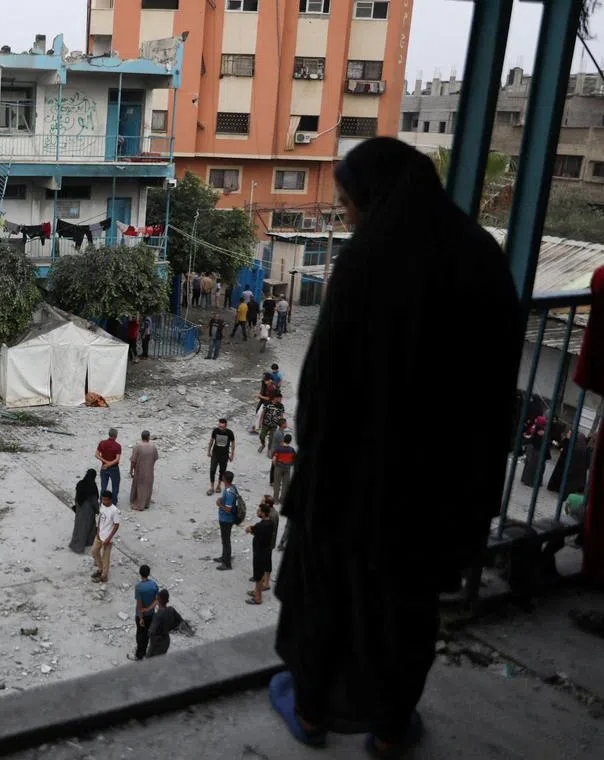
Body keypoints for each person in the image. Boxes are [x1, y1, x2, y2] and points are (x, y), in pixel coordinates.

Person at [270, 138, 520, 755]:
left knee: (327, 590)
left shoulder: (366, 265)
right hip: (437, 486)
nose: (347, 214)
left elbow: (324, 383)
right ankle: (388, 727)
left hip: (352, 482)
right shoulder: (479, 257)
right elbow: (494, 384)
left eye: (349, 203)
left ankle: (310, 711)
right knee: (406, 607)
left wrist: (315, 464)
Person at [246, 504, 276, 605]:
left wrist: (250, 529)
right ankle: (255, 592)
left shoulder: (260, 526)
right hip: (265, 551)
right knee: (260, 574)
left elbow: (249, 529)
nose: (257, 512)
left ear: (263, 513)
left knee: (258, 577)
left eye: (259, 511)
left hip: (259, 553)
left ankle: (258, 598)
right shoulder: (271, 523)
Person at [129, 564, 159, 661]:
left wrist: (141, 617)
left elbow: (139, 604)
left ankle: (139, 655)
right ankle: (145, 650)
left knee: (140, 635)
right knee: (146, 634)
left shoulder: (139, 587)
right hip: (151, 614)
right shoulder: (154, 585)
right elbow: (157, 600)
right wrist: (149, 609)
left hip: (141, 616)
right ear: (149, 573)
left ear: (140, 573)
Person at [90, 490, 120, 584]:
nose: (104, 501)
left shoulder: (114, 510)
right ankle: (100, 568)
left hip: (108, 538)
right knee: (94, 551)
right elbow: (100, 518)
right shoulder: (102, 506)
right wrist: (98, 530)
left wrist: (109, 538)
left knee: (105, 557)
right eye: (103, 499)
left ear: (110, 500)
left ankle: (104, 576)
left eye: (106, 500)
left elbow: (116, 525)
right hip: (100, 535)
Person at [70, 468, 100, 552]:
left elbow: (77, 497)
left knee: (78, 527)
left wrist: (77, 506)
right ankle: (81, 546)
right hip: (89, 510)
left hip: (80, 508)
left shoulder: (80, 484)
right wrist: (98, 510)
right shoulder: (92, 486)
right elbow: (94, 500)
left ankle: (74, 544)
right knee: (87, 527)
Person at [146, 589, 183, 657]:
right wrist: (169, 628)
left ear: (159, 599)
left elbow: (151, 632)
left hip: (157, 644)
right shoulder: (171, 609)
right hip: (166, 641)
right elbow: (179, 620)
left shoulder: (158, 614)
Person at [216, 471, 241, 571]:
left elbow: (228, 509)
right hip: (226, 519)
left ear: (225, 479)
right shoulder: (231, 488)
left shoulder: (229, 492)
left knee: (226, 541)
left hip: (226, 520)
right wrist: (222, 499)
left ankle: (227, 563)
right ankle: (224, 557)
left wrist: (220, 504)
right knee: (224, 539)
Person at [129, 430, 159, 511]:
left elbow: (133, 461)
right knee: (147, 486)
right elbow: (155, 458)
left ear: (141, 437)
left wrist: (131, 470)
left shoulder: (137, 447)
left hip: (139, 470)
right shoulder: (153, 447)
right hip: (149, 470)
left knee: (139, 486)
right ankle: (146, 503)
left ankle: (138, 504)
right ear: (148, 437)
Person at [207, 418, 235, 495]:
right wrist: (208, 451)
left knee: (222, 471)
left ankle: (219, 485)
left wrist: (231, 455)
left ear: (226, 425)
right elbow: (211, 441)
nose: (221, 428)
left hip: (224, 455)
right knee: (212, 470)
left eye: (222, 427)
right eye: (220, 426)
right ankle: (212, 487)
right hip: (215, 453)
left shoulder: (230, 433)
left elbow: (233, 444)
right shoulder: (215, 431)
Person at [95, 428, 122, 505]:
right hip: (114, 468)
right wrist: (109, 463)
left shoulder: (102, 443)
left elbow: (96, 455)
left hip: (104, 467)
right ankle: (113, 502)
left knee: (103, 485)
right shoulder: (117, 446)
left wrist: (105, 462)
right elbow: (117, 459)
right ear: (116, 436)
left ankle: (102, 501)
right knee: (115, 486)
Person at [271, 434, 296, 504]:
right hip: (287, 468)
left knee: (277, 484)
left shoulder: (278, 449)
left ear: (283, 440)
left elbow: (274, 458)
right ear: (290, 441)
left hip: (278, 467)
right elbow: (294, 460)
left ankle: (275, 500)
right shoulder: (292, 450)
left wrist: (275, 464)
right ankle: (282, 500)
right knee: (285, 485)